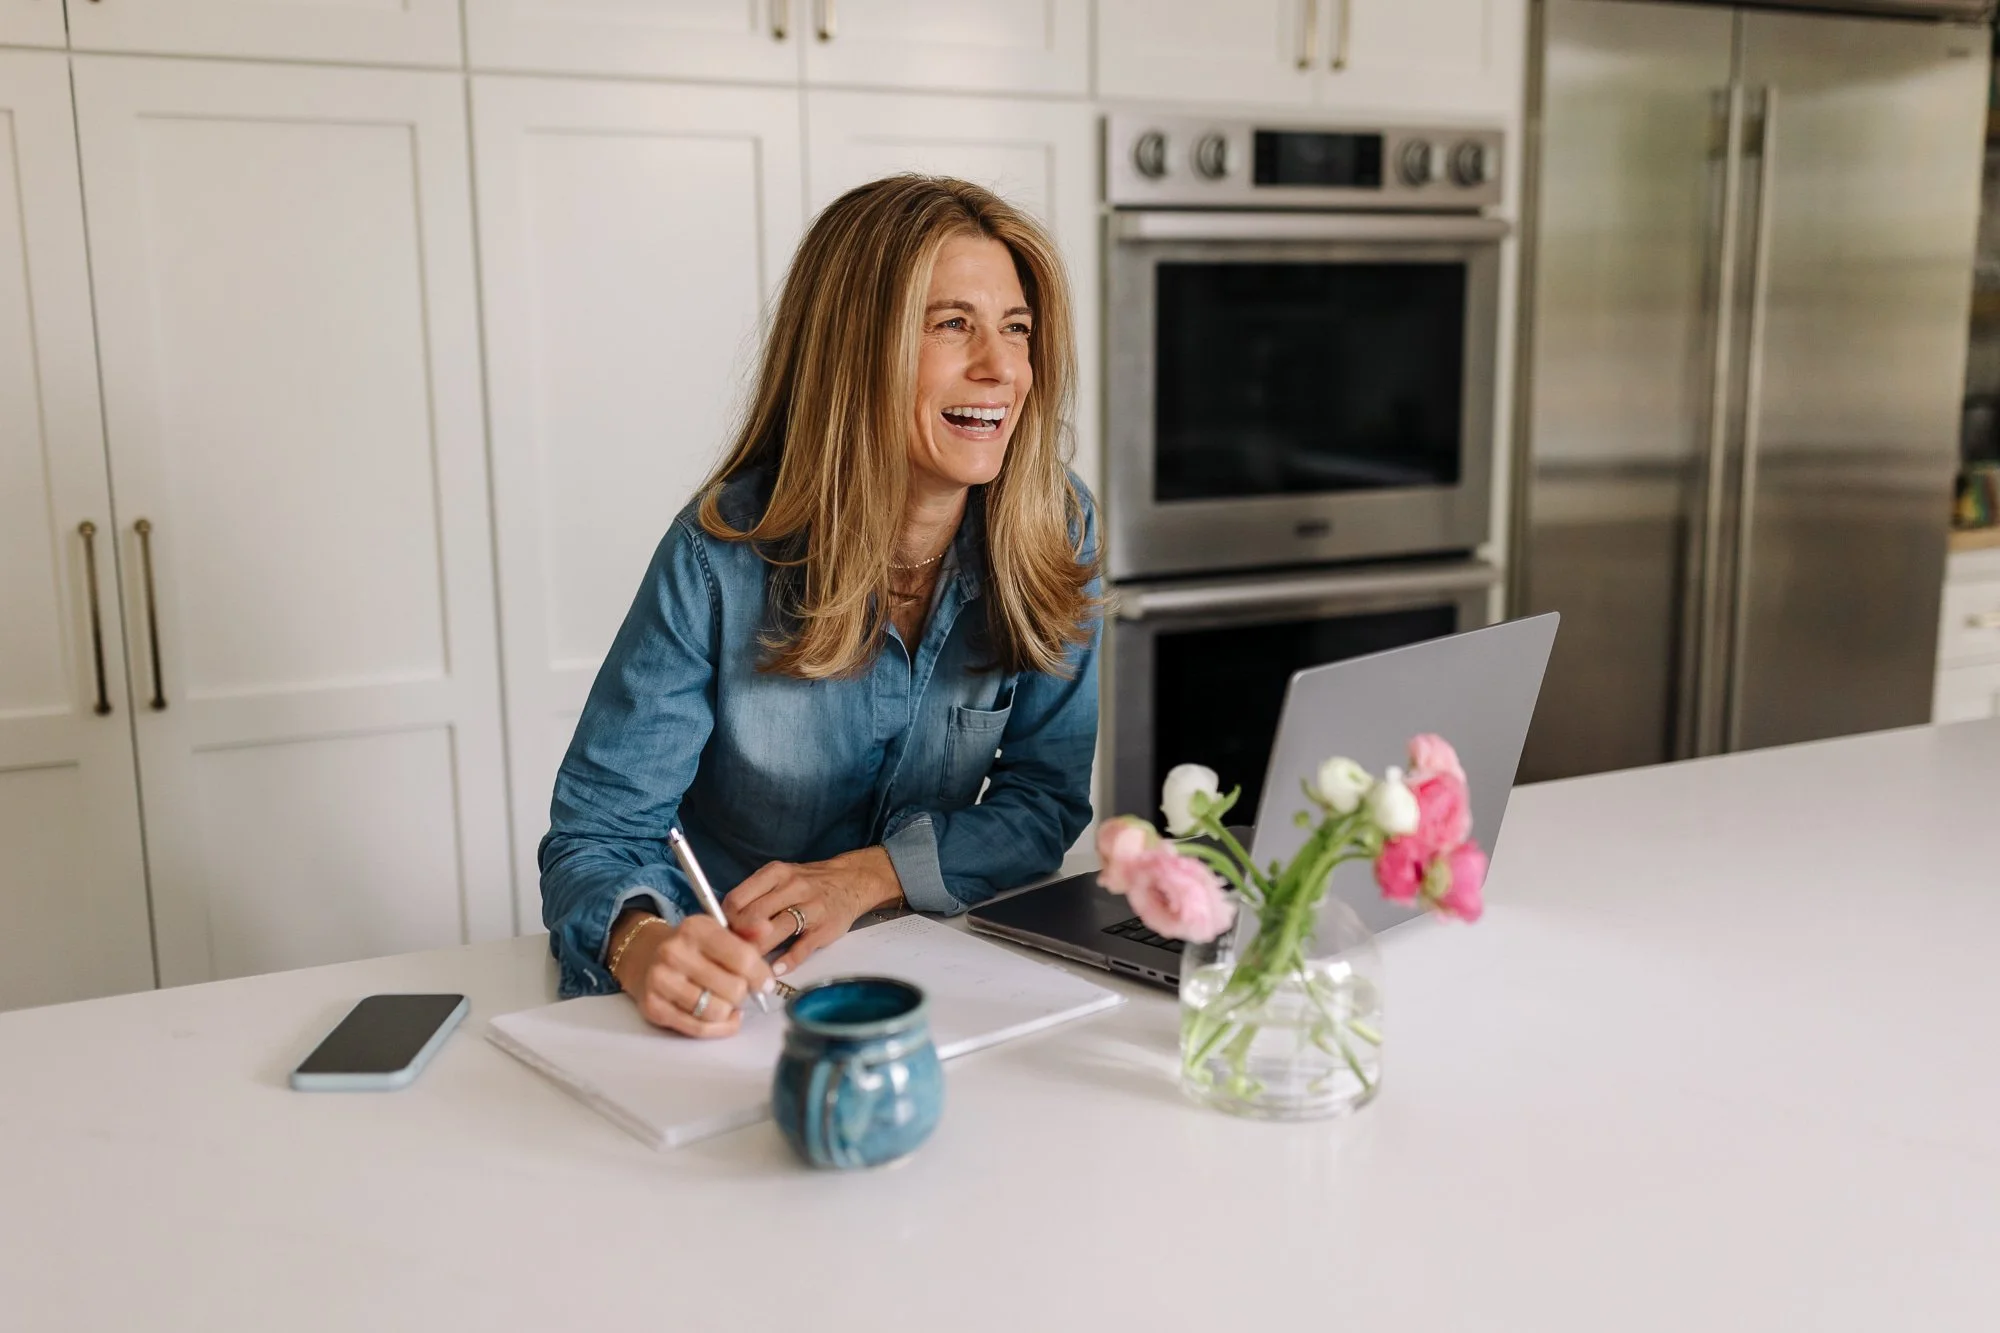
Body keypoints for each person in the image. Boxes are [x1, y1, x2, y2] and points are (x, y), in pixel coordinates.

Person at [539, 175, 1103, 1038]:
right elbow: (597, 834)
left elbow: (1044, 800)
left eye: (1016, 329)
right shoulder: (718, 554)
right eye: (953, 324)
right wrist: (642, 944)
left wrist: (870, 875)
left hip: (948, 983)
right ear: (856, 348)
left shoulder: (1056, 526)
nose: (1002, 369)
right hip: (748, 997)